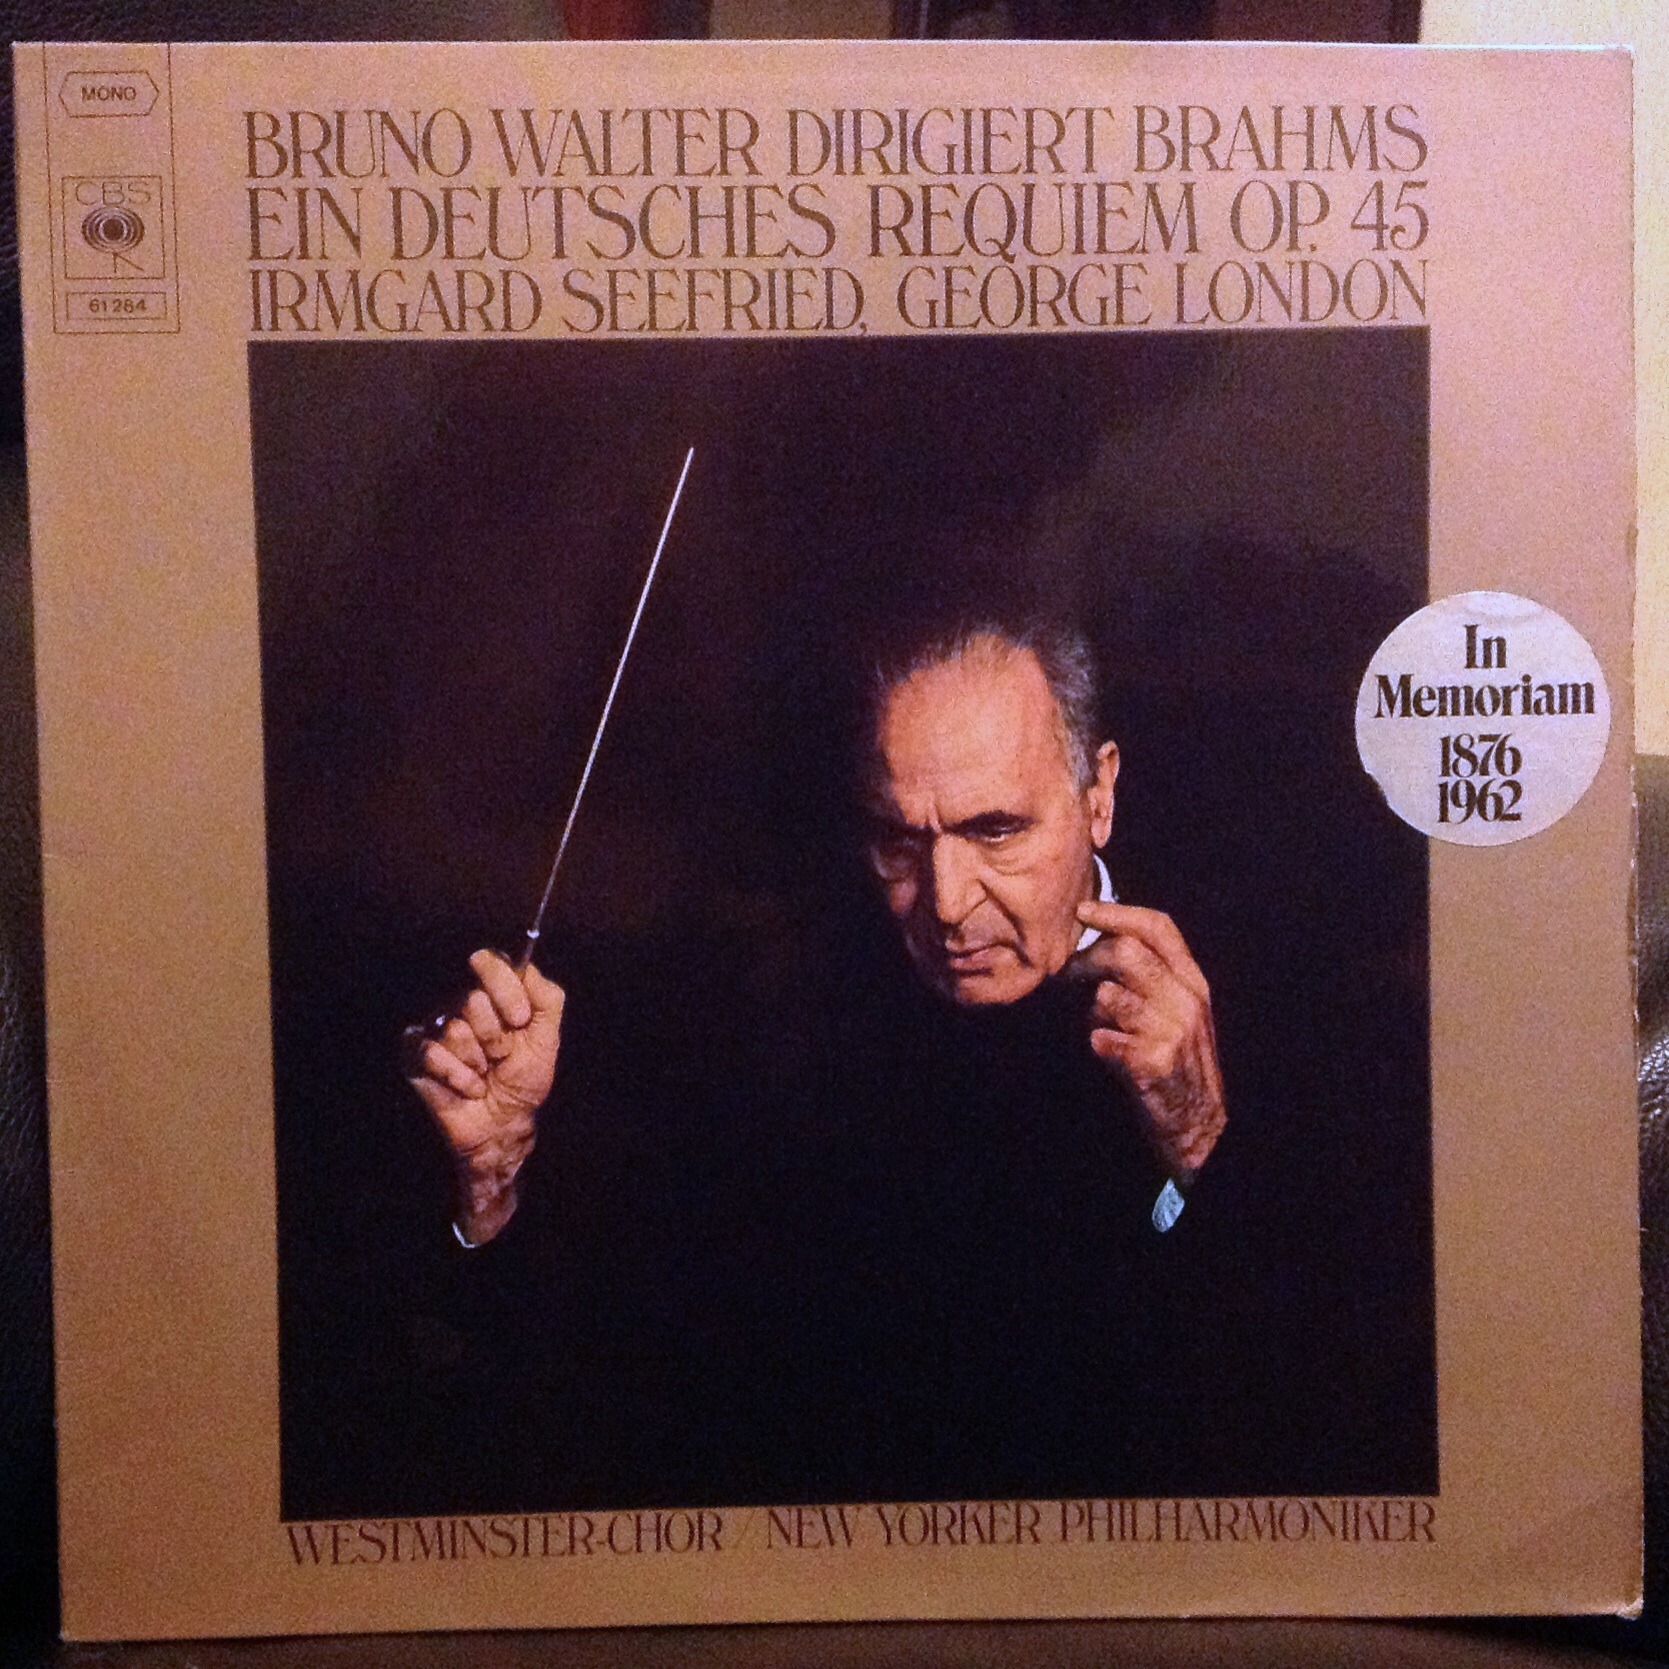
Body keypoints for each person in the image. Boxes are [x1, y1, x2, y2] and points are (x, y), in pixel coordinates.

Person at [403, 614, 1290, 1506]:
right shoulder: (770, 1020)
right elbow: (608, 1400)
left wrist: (1199, 1148)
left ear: (1098, 795)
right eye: (900, 841)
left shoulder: (1274, 992)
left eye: (994, 830)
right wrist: (493, 1178)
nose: (947, 903)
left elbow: (1284, 1413)